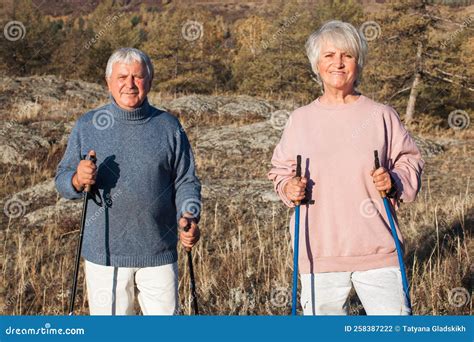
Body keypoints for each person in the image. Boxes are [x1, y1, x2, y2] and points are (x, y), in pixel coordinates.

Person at [268, 20, 424, 315]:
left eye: (347, 55)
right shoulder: (300, 120)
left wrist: (394, 180)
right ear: (316, 64)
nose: (338, 63)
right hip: (319, 254)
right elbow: (279, 170)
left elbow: (411, 160)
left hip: (379, 251)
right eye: (329, 55)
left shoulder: (381, 115)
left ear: (358, 62)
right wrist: (288, 186)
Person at [55, 47, 201, 315]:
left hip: (159, 252)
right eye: (122, 77)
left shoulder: (169, 126)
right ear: (108, 81)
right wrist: (77, 179)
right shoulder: (87, 125)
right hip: (105, 256)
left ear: (150, 80)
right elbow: (62, 180)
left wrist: (190, 214)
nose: (130, 84)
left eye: (137, 76)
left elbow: (186, 181)